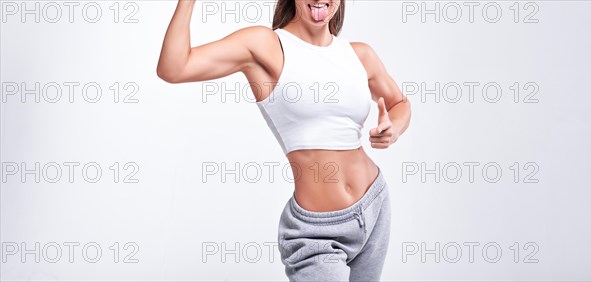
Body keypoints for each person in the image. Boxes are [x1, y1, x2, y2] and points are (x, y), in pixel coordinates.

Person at [157, 0, 411, 280]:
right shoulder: (265, 45)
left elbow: (399, 102)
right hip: (317, 233)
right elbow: (173, 68)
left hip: (374, 204)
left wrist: (394, 129)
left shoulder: (360, 55)